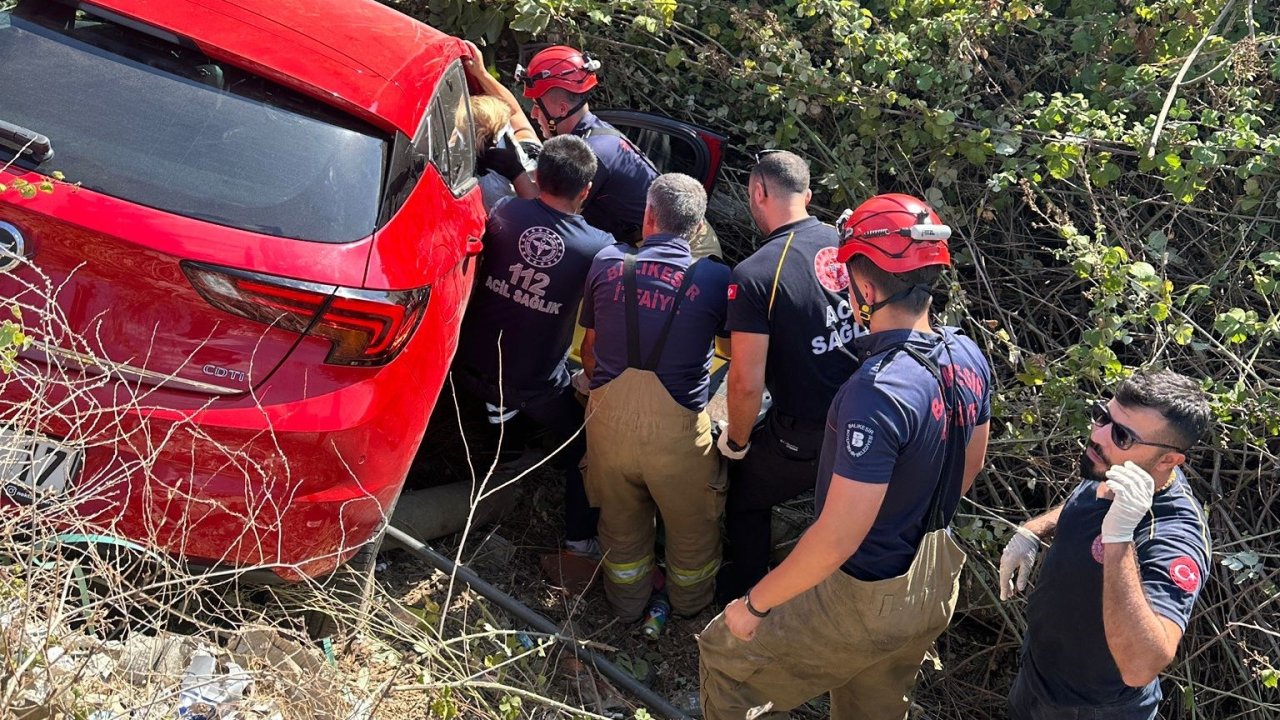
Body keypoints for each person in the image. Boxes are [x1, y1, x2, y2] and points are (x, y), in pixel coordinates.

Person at [698, 193, 993, 720]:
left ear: (864, 285)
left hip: (864, 591)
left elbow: (838, 536)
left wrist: (753, 604)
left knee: (727, 663)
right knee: (871, 705)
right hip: (932, 576)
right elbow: (970, 465)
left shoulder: (876, 392)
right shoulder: (965, 353)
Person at [999, 370, 1212, 720]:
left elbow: (1142, 666)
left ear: (1168, 461)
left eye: (1122, 434)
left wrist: (1119, 536)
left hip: (1094, 709)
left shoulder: (1174, 535)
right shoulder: (1113, 464)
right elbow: (1087, 500)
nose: (1096, 435)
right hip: (1038, 679)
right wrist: (1034, 529)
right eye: (1102, 415)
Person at [578, 172, 731, 621]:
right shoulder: (717, 279)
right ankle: (686, 608)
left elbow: (588, 352)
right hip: (678, 436)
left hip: (606, 427)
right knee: (693, 532)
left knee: (619, 524)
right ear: (699, 228)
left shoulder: (607, 262)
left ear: (647, 217)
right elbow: (733, 355)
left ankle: (626, 606)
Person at [452, 134, 614, 555]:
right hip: (532, 385)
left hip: (463, 365)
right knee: (584, 448)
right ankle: (579, 542)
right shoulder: (597, 248)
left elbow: (530, 206)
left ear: (539, 175)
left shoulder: (503, 211)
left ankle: (499, 433)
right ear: (587, 191)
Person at [714, 150, 861, 602]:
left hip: (808, 431)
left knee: (744, 495)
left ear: (758, 192)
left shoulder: (756, 274)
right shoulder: (845, 242)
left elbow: (744, 382)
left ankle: (745, 597)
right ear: (809, 196)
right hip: (865, 413)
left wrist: (735, 443)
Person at [515, 45, 658, 244]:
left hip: (685, 247)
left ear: (562, 109)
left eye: (537, 107)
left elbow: (548, 214)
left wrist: (514, 173)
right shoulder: (589, 133)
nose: (533, 115)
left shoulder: (591, 153)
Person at [463, 41, 540, 209]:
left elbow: (515, 113)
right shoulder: (532, 157)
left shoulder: (483, 188)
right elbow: (516, 113)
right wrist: (481, 73)